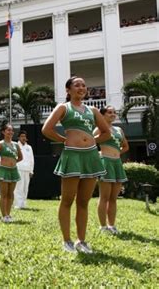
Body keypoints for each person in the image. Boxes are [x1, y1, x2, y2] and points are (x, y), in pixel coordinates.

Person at [42, 76, 110, 254]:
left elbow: (106, 132)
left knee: (83, 201)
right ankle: (67, 241)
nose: (81, 87)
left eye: (84, 85)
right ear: (68, 90)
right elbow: (46, 129)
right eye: (77, 85)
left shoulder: (93, 110)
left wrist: (92, 141)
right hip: (72, 155)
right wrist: (64, 139)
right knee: (67, 200)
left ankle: (82, 241)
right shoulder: (64, 107)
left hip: (90, 157)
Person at [95, 106, 129, 234]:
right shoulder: (99, 129)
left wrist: (117, 153)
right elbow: (90, 143)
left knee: (114, 198)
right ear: (102, 115)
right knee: (104, 197)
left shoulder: (119, 129)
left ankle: (112, 225)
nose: (113, 114)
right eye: (109, 112)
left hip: (117, 163)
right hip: (106, 163)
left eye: (114, 112)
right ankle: (103, 227)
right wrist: (99, 153)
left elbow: (125, 146)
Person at [0, 124, 23, 223]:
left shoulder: (16, 145)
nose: (11, 132)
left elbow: (20, 157)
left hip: (13, 170)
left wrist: (14, 162)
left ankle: (8, 214)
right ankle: (4, 216)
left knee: (10, 194)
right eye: (8, 130)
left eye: (12, 130)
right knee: (3, 194)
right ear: (3, 132)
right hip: (3, 170)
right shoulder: (0, 144)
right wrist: (0, 162)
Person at [14, 130, 34, 209]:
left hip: (27, 170)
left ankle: (23, 203)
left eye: (24, 136)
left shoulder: (29, 147)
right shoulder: (15, 146)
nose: (23, 138)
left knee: (25, 187)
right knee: (19, 187)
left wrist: (31, 170)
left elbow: (31, 160)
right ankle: (17, 204)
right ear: (18, 137)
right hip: (18, 169)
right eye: (22, 136)